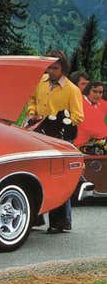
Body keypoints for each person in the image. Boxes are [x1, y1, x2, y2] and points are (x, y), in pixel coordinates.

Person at [27, 50, 84, 233]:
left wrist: (61, 119)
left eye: (55, 68)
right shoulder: (40, 83)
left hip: (59, 137)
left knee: (58, 177)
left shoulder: (71, 90)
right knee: (34, 174)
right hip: (38, 133)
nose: (51, 71)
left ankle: (61, 222)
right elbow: (33, 101)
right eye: (49, 67)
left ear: (63, 68)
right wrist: (32, 112)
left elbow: (78, 116)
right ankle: (35, 218)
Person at [74, 81, 107, 148]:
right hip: (82, 144)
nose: (97, 95)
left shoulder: (102, 103)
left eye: (100, 92)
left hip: (100, 143)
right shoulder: (79, 101)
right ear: (88, 91)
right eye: (94, 91)